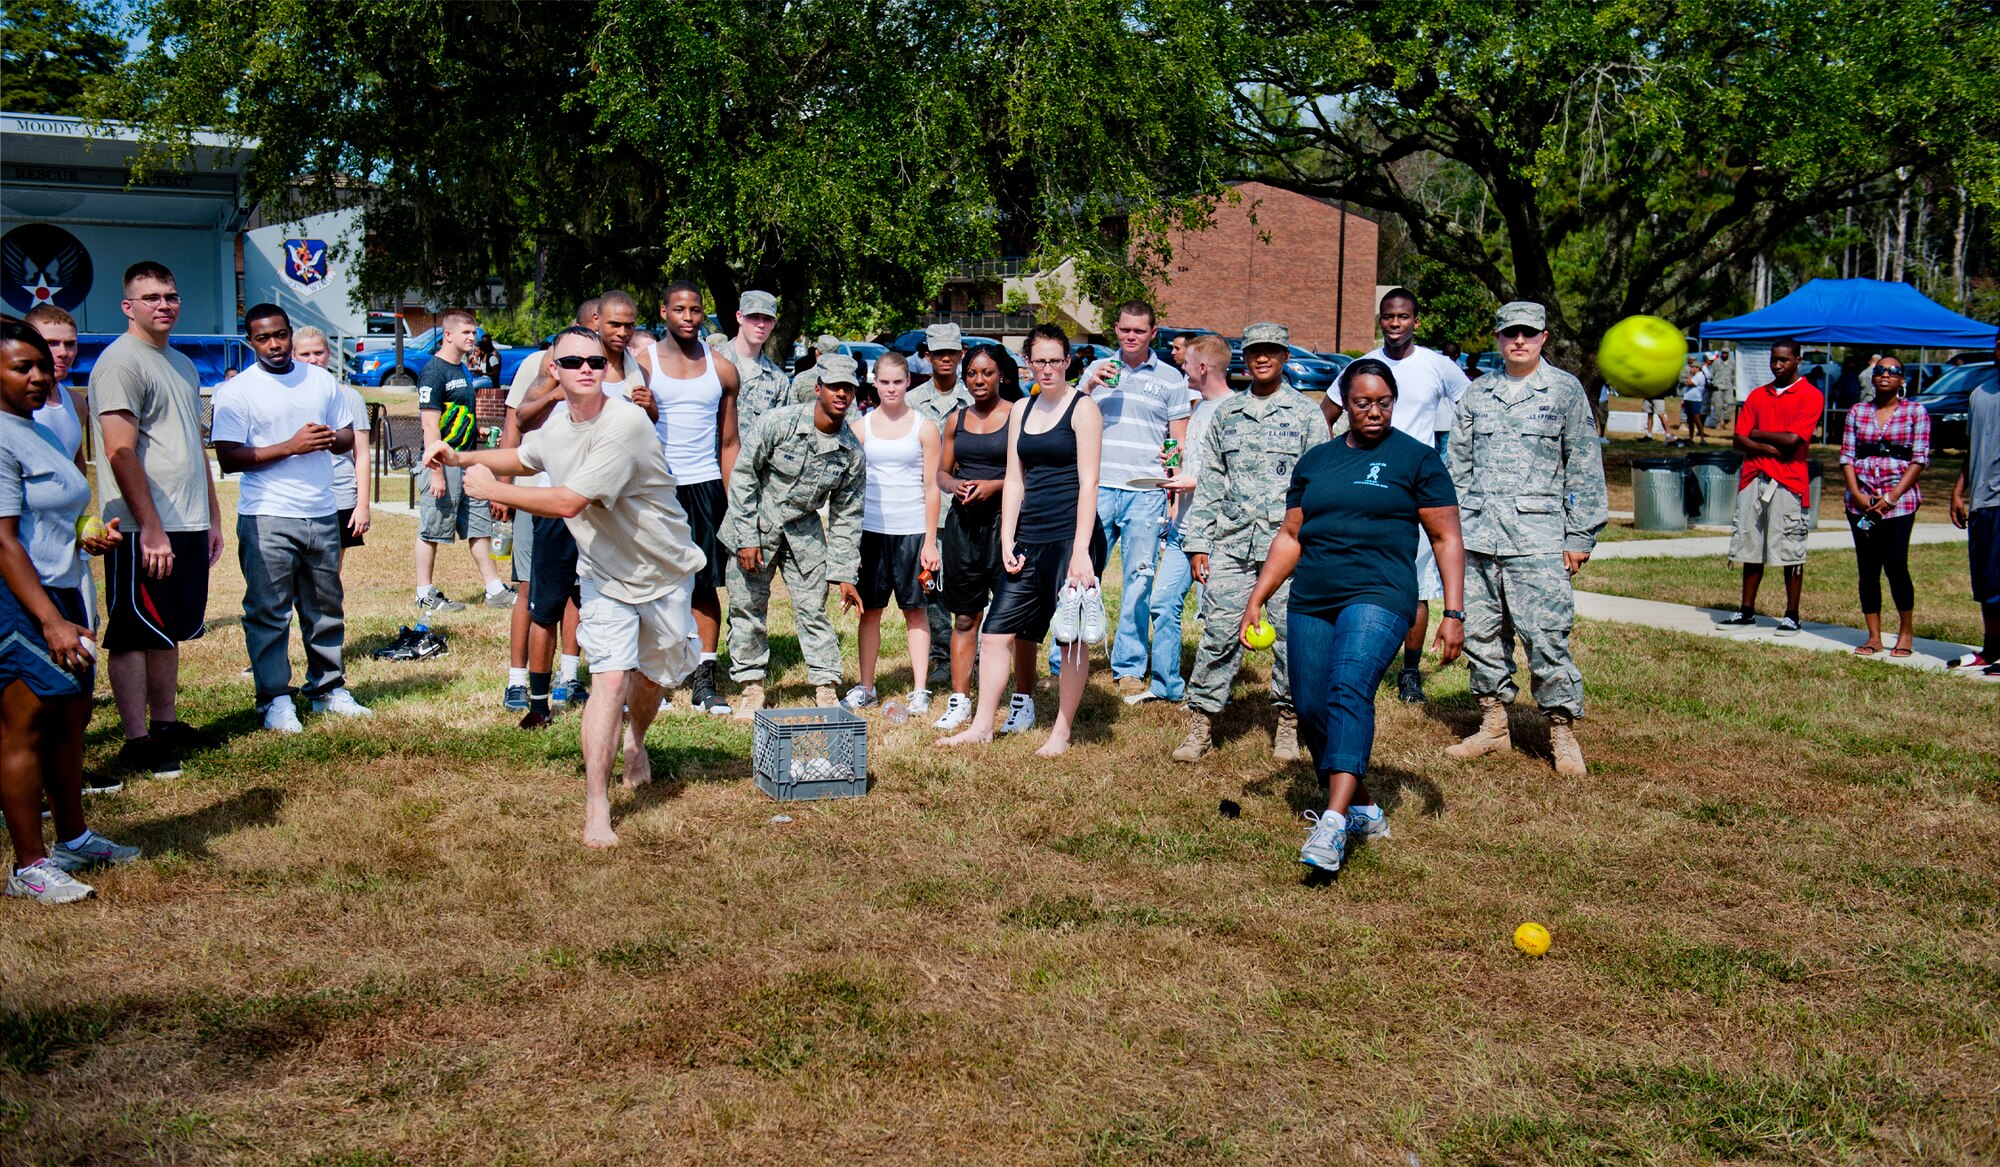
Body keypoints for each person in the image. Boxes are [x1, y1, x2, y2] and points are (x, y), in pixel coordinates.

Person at [425, 326, 703, 847]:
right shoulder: (558, 424)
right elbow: (528, 456)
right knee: (610, 681)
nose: (587, 371)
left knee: (653, 676)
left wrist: (494, 489)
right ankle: (597, 807)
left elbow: (569, 501)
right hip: (603, 573)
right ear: (553, 369)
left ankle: (636, 740)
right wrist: (463, 460)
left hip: (663, 569)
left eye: (596, 363)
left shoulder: (625, 425)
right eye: (573, 362)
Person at [1241, 359, 1464, 874]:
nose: (1373, 412)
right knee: (1313, 705)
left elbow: (1446, 537)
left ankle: (1333, 823)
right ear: (1344, 402)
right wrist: (1258, 596)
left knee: (1348, 687)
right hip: (1314, 596)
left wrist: (1453, 610)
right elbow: (1291, 536)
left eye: (1383, 402)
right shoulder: (1316, 461)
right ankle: (1363, 805)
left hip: (1381, 593)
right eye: (1362, 402)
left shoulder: (1418, 460)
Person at [1, 321, 141, 904]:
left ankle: (74, 837)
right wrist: (50, 622)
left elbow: (53, 513)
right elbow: (4, 540)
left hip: (64, 592)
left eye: (41, 364)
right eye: (21, 367)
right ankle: (28, 864)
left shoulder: (38, 428)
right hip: (23, 603)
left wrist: (88, 533)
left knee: (69, 722)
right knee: (25, 729)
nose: (38, 375)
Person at [1444, 301, 1608, 778]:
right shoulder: (1477, 394)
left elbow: (1583, 464)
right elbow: (1457, 466)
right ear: (1497, 338)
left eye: (1528, 333)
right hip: (1477, 536)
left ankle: (1561, 731)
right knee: (1480, 635)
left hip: (1538, 538)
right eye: (1510, 333)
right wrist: (1452, 532)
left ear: (1543, 337)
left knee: (1546, 638)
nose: (1519, 341)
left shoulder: (1563, 391)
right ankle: (1494, 725)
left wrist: (1579, 534)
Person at [940, 324, 1106, 757]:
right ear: (1028, 363)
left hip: (1073, 537)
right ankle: (981, 726)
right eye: (1040, 360)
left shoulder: (1083, 409)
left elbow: (1089, 483)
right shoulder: (1023, 410)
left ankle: (1061, 731)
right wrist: (1008, 539)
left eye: (1056, 360)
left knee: (1069, 638)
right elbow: (1014, 478)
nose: (1048, 368)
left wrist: (1081, 552)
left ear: (1068, 362)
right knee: (995, 634)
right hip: (1029, 535)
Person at [90, 260, 224, 781]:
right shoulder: (121, 363)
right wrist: (149, 527)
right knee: (133, 631)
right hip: (142, 527)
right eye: (150, 298)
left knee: (165, 629)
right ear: (128, 306)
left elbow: (192, 445)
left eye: (170, 296)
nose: (163, 304)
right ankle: (135, 738)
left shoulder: (183, 364)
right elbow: (120, 452)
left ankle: (165, 723)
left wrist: (210, 515)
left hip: (185, 522)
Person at [210, 305, 372, 731]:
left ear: (289, 334)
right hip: (267, 514)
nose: (275, 344)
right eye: (264, 338)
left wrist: (330, 438)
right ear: (251, 342)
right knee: (268, 610)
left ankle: (327, 689)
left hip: (321, 509)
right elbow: (228, 456)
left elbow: (345, 437)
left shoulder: (319, 380)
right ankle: (275, 699)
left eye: (280, 335)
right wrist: (291, 445)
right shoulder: (238, 390)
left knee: (324, 607)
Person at [1173, 323, 1321, 762]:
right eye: (1255, 351)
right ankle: (1201, 724)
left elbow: (1319, 484)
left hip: (1288, 547)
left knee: (1290, 638)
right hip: (1233, 544)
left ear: (1284, 356)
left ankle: (1289, 724)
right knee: (1218, 633)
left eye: (1271, 351)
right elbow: (1213, 483)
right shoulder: (1227, 414)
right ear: (1244, 356)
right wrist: (1199, 542)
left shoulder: (1305, 414)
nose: (1262, 358)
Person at [1338, 287, 1470, 705]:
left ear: (1416, 320)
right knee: (1359, 575)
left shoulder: (1439, 366)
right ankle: (1357, 663)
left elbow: (1474, 409)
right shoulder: (1362, 366)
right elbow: (1323, 416)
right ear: (1380, 319)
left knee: (1415, 586)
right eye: (1388, 317)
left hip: (1417, 488)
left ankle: (1409, 673)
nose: (1395, 324)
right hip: (1365, 484)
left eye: (1403, 317)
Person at [723, 354, 866, 717]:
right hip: (758, 522)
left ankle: (825, 685)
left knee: (813, 609)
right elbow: (743, 476)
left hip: (804, 533)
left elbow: (847, 515)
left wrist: (845, 574)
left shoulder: (851, 451)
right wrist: (746, 537)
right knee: (747, 607)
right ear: (818, 388)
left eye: (848, 388)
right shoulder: (779, 423)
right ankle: (751, 686)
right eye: (834, 386)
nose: (841, 394)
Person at [1071, 300, 1189, 696]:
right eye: (1124, 330)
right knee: (1082, 577)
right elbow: (1070, 415)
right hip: (1098, 488)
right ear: (1115, 330)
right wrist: (1088, 386)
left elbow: (1176, 438)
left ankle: (1129, 664)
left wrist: (1172, 482)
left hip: (1146, 491)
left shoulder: (1172, 378)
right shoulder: (1096, 369)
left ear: (1153, 333)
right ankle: (1067, 657)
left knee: (1139, 580)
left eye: (1139, 331)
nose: (1131, 337)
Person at [644, 281, 741, 715]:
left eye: (696, 310)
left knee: (704, 585)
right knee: (656, 584)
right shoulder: (642, 365)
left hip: (705, 487)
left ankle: (704, 680)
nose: (688, 317)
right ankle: (656, 679)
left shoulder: (722, 369)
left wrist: (734, 498)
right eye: (679, 309)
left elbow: (729, 443)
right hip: (656, 487)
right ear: (663, 312)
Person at [931, 345, 1032, 731]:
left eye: (987, 373)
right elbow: (941, 472)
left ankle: (1023, 702)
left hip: (1007, 528)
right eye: (972, 373)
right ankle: (960, 701)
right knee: (964, 617)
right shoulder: (956, 419)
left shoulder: (1017, 414)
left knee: (1017, 622)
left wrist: (995, 485)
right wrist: (955, 484)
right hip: (963, 528)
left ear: (1002, 375)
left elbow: (1029, 472)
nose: (979, 380)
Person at [845, 351, 942, 712]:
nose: (891, 389)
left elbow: (931, 487)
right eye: (884, 382)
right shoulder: (860, 428)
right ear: (874, 382)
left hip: (912, 532)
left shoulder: (924, 427)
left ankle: (919, 690)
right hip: (870, 533)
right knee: (869, 611)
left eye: (897, 382)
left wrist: (930, 542)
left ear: (908, 382)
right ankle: (866, 687)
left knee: (915, 612)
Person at [1141, 333, 1233, 706]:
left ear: (1203, 367)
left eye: (1187, 363)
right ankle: (1167, 687)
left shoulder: (1234, 410)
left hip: (1215, 535)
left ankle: (1213, 693)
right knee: (1162, 603)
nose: (1182, 367)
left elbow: (1238, 475)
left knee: (1215, 614)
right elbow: (1194, 462)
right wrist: (1177, 485)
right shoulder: (1199, 408)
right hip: (1183, 529)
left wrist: (1193, 480)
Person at [1719, 338, 1824, 635]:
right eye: (1774, 360)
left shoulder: (1810, 395)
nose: (1778, 365)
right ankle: (1746, 610)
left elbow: (1794, 442)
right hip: (1753, 477)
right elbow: (1739, 440)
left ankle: (1792, 614)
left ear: (1798, 360)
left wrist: (1757, 435)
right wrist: (1771, 443)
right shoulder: (1757, 395)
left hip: (1789, 482)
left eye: (1784, 360)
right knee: (1750, 545)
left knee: (1790, 548)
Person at [413, 308, 510, 612]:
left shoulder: (463, 369)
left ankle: (494, 590)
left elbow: (457, 415)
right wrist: (436, 471)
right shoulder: (434, 371)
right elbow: (430, 425)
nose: (472, 338)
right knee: (432, 528)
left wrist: (476, 428)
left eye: (474, 333)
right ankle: (424, 592)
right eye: (466, 333)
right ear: (449, 335)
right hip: (442, 463)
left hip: (468, 461)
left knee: (479, 526)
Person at [1839, 357, 1930, 657]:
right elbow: (1847, 457)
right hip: (1861, 502)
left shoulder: (1916, 412)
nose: (1885, 375)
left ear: (1903, 380)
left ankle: (1905, 633)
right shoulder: (1857, 412)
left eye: (1893, 372)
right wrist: (1856, 494)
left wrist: (1890, 498)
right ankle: (1874, 636)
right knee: (1867, 569)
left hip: (1899, 503)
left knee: (1895, 566)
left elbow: (1919, 460)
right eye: (1880, 371)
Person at [906, 323, 972, 687]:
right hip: (925, 511)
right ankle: (942, 657)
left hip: (966, 510)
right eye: (938, 353)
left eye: (952, 352)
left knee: (965, 586)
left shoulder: (975, 397)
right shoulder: (913, 403)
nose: (945, 358)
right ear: (928, 356)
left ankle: (969, 655)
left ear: (961, 354)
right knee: (930, 590)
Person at [293, 326, 371, 567]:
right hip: (297, 495)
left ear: (329, 353)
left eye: (318, 352)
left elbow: (362, 455)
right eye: (305, 354)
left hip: (339, 494)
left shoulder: (350, 397)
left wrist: (362, 505)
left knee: (328, 575)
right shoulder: (286, 395)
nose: (313, 360)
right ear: (293, 355)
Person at [1947, 333, 2000, 679]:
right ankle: (1992, 648)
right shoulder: (1980, 393)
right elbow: (1973, 446)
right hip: (1981, 502)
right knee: (1984, 583)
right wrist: (1958, 490)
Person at [708, 290, 789, 441]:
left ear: (774, 324)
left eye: (768, 319)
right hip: (713, 460)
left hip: (752, 464)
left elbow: (777, 436)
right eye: (754, 317)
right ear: (739, 317)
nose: (761, 324)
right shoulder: (712, 363)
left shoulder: (778, 380)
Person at [1678, 356, 1709, 446]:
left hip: (1695, 400)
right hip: (1688, 399)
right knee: (1690, 420)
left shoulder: (1699, 376)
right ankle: (1691, 438)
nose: (1692, 369)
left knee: (1696, 419)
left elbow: (1689, 383)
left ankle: (1702, 438)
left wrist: (1690, 375)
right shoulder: (1695, 375)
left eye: (1694, 367)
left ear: (1698, 368)